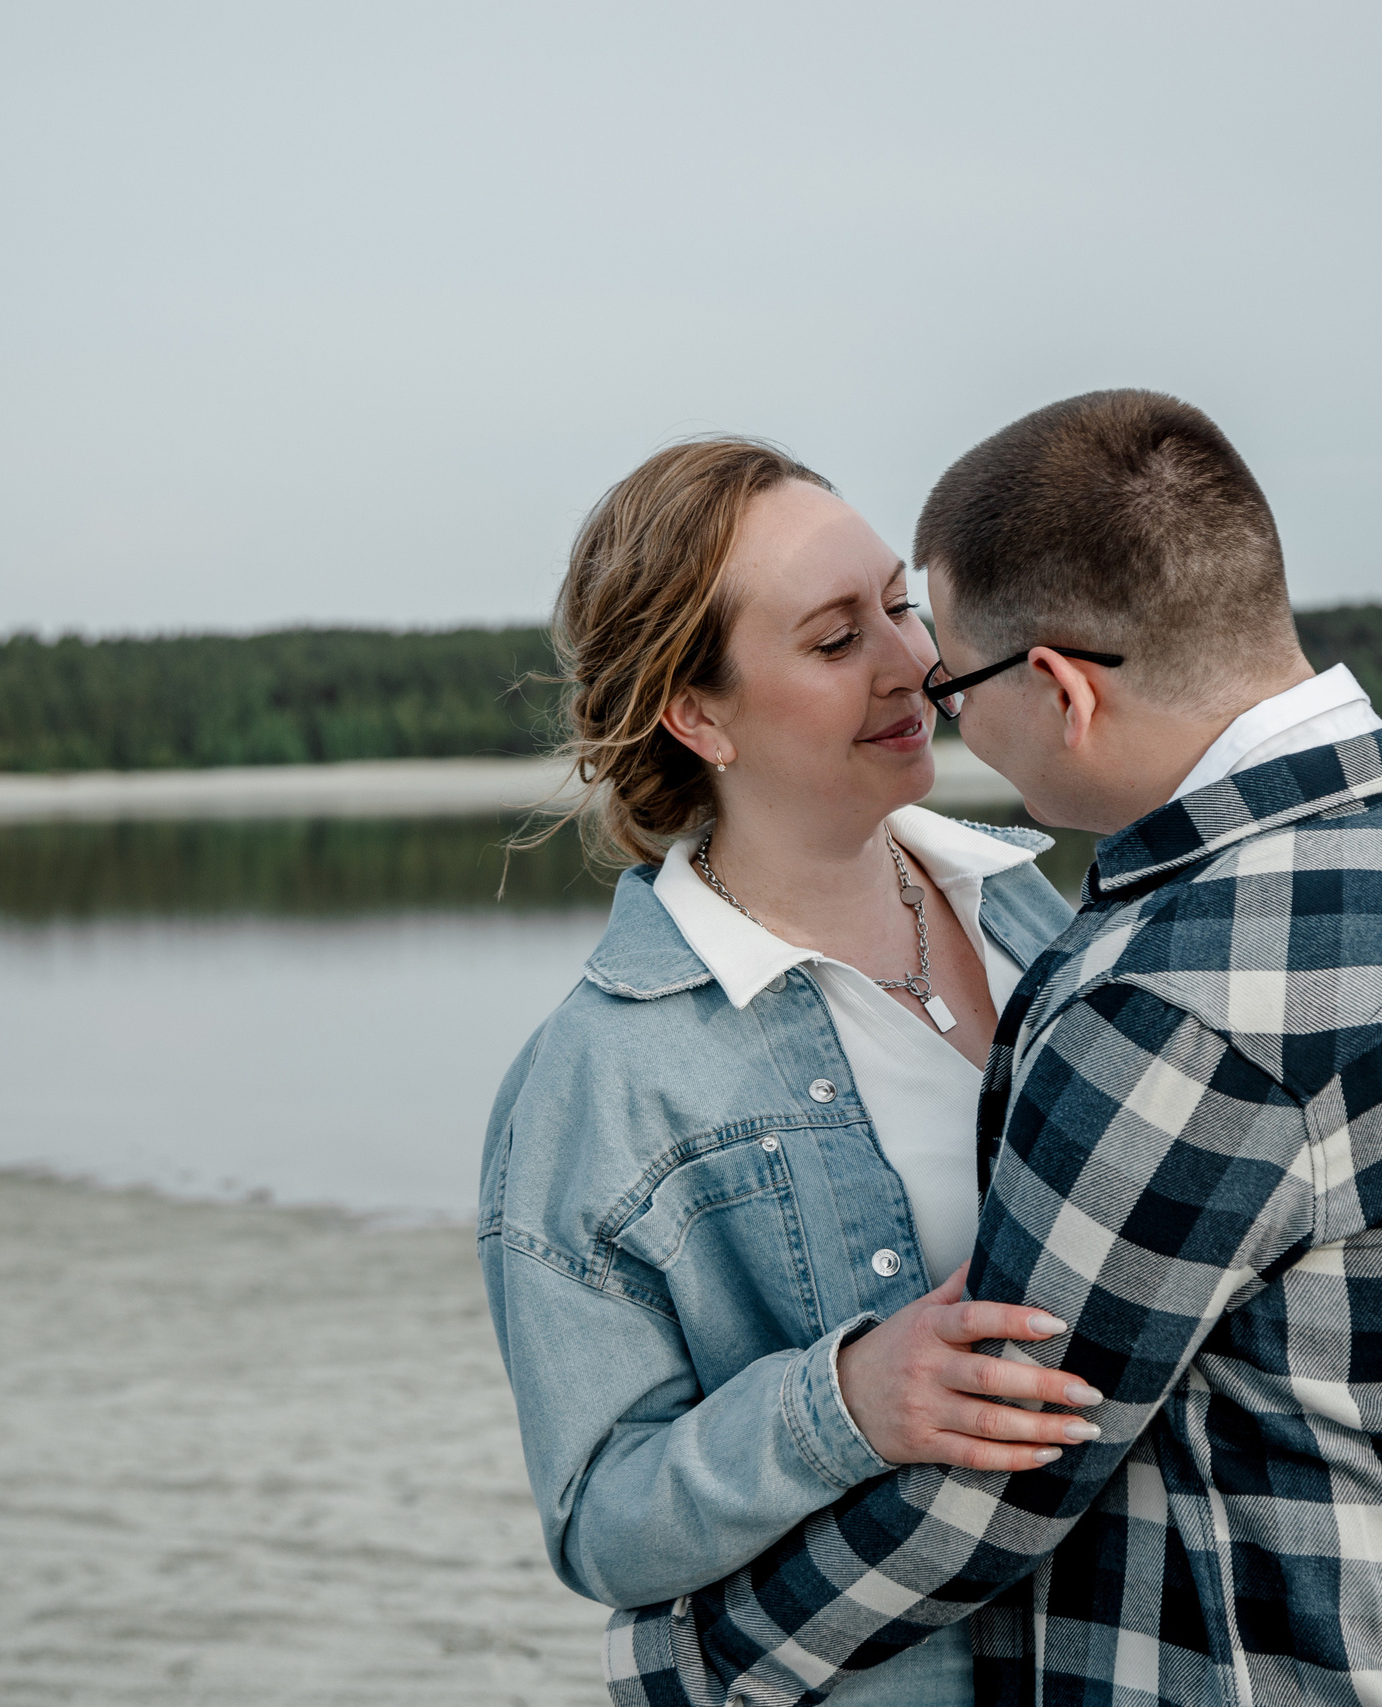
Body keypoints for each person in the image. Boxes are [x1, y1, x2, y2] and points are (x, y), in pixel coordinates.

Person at [608, 391, 1382, 1706]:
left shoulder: (1176, 996)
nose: (939, 710)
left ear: (1057, 687)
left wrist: (685, 1661)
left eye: (948, 672)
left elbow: (1007, 1465)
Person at [479, 438, 1092, 1705]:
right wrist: (845, 1403)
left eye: (898, 605)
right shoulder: (601, 1080)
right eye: (831, 641)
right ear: (697, 714)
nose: (912, 662)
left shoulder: (1034, 908)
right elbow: (601, 1521)